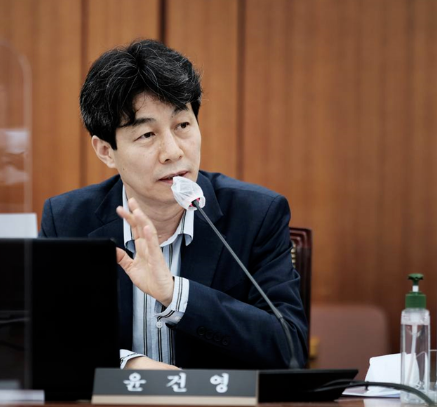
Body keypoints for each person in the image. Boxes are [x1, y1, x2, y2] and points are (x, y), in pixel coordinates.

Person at [39, 39, 308, 370]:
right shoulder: (67, 221)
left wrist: (175, 295)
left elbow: (289, 348)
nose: (173, 151)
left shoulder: (256, 216)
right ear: (106, 151)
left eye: (182, 126)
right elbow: (45, 341)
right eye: (147, 135)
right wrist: (129, 367)